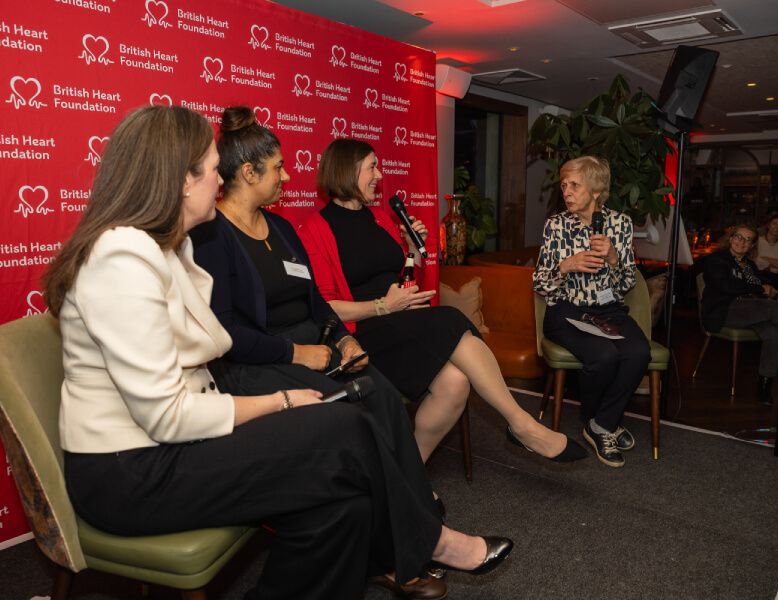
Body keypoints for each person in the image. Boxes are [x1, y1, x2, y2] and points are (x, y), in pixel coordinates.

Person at [42, 105, 512, 600]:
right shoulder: (122, 258)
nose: (218, 181)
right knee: (344, 425)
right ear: (181, 180)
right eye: (209, 167)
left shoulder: (165, 249)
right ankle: (432, 539)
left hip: (177, 445)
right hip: (131, 471)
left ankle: (416, 539)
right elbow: (167, 414)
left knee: (345, 505)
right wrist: (282, 403)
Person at [299, 138, 587, 467]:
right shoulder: (314, 229)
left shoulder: (379, 218)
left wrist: (409, 246)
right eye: (372, 167)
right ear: (347, 171)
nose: (379, 175)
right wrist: (383, 306)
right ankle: (521, 424)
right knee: (451, 318)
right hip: (361, 331)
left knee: (455, 383)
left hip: (400, 320)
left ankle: (411, 474)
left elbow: (410, 282)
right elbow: (326, 307)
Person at [532, 156, 650, 468]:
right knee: (604, 356)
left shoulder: (621, 224)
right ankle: (603, 423)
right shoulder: (556, 225)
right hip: (566, 312)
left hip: (608, 309)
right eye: (564, 185)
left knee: (639, 352)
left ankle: (601, 424)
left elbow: (626, 282)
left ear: (596, 191)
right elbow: (541, 284)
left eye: (574, 185)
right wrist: (565, 266)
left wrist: (613, 258)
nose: (566, 191)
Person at [701, 223, 778, 406]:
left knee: (775, 334)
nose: (742, 241)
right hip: (724, 310)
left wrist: (768, 287)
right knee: (773, 308)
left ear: (752, 245)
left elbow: (763, 282)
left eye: (748, 239)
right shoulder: (717, 259)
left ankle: (763, 387)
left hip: (749, 311)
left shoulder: (750, 265)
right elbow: (727, 286)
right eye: (739, 236)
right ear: (730, 238)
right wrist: (760, 288)